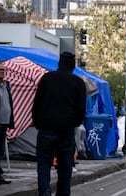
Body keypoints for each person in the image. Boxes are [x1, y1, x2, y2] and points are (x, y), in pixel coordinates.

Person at [32, 52, 87, 196]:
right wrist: (75, 122)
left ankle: (44, 191)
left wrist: (37, 122)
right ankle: (63, 192)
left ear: (59, 64)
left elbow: (37, 103)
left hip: (46, 127)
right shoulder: (78, 82)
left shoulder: (47, 79)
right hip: (66, 129)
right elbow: (81, 108)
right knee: (65, 165)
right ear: (73, 66)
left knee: (44, 163)